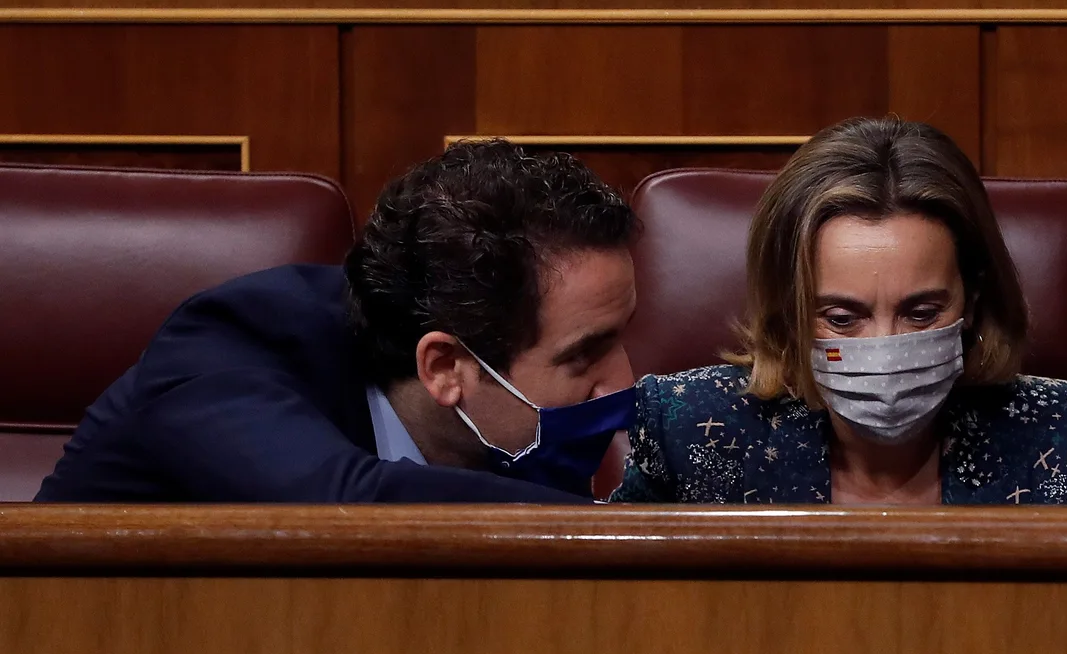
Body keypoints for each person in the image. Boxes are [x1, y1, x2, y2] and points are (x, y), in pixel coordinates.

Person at [36, 139, 639, 503]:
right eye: (584, 355)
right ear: (445, 367)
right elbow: (344, 507)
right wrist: (619, 535)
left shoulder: (510, 438)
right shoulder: (232, 343)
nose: (624, 384)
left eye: (621, 340)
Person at [610, 117, 1067, 505]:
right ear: (789, 313)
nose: (884, 347)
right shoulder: (686, 429)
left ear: (973, 302)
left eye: (921, 313)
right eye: (841, 318)